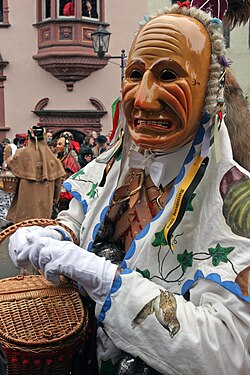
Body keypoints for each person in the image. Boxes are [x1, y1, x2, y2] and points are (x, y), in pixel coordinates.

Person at [8, 3, 250, 375]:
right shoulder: (120, 165)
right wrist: (55, 233)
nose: (143, 98)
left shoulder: (235, 199)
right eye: (135, 74)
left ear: (209, 94)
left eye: (169, 75)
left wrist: (107, 282)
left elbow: (229, 352)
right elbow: (80, 215)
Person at [5, 126, 65, 223]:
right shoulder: (52, 158)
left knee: (22, 231)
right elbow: (57, 185)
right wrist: (54, 199)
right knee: (40, 231)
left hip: (25, 206)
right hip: (44, 207)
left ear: (29, 136)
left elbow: (9, 164)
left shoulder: (22, 154)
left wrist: (7, 156)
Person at [56, 132, 81, 211]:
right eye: (57, 144)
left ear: (65, 146)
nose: (57, 146)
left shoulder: (71, 161)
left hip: (67, 193)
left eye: (60, 144)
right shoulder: (60, 158)